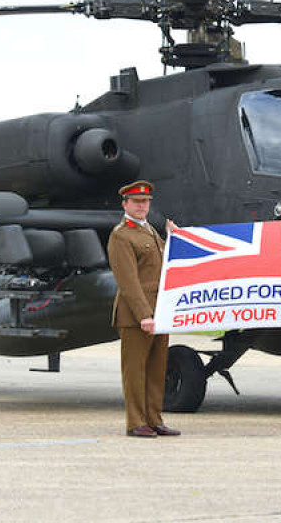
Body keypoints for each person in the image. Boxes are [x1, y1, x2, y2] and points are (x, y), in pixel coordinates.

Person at [106, 180, 180, 438]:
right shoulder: (121, 235)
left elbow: (160, 266)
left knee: (156, 369)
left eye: (145, 202)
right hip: (137, 315)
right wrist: (144, 315)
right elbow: (128, 282)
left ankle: (154, 418)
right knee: (135, 371)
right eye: (136, 202)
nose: (141, 206)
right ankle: (136, 422)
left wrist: (174, 237)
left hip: (159, 312)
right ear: (125, 204)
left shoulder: (150, 231)